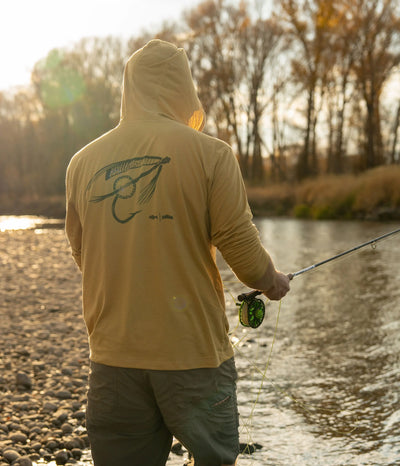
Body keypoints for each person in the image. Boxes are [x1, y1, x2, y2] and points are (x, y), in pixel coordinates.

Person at [65, 39, 291, 466]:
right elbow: (242, 252)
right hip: (194, 358)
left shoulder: (81, 162)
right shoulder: (213, 154)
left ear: (129, 87)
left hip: (113, 360)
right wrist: (272, 281)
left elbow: (82, 255)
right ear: (184, 89)